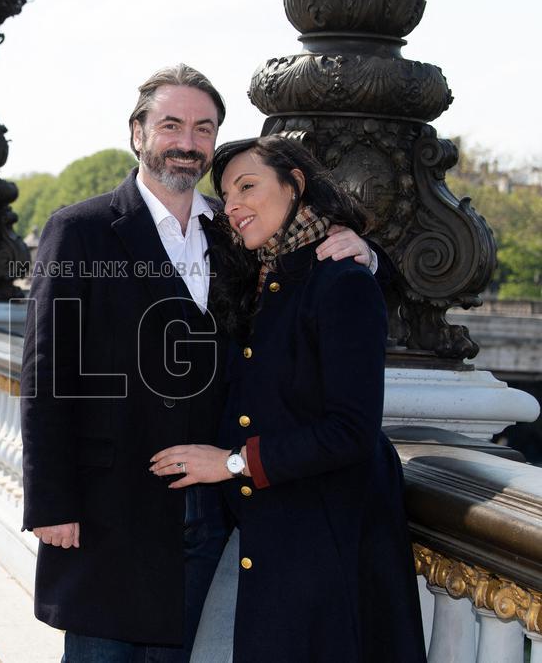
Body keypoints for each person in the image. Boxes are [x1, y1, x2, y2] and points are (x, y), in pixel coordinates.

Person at [20, 64, 377, 661]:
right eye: (172, 125)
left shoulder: (234, 229)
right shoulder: (79, 231)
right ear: (138, 133)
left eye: (204, 128)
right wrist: (52, 504)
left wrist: (368, 251)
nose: (188, 142)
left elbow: (314, 268)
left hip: (209, 511)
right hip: (109, 508)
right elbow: (48, 373)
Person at [150, 135, 425, 661]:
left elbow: (350, 431)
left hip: (326, 546)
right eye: (227, 194)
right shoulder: (262, 278)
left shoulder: (341, 281)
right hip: (273, 542)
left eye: (248, 186)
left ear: (295, 183)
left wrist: (232, 463)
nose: (232, 206)